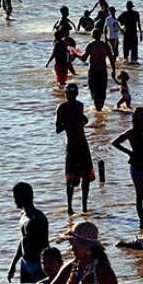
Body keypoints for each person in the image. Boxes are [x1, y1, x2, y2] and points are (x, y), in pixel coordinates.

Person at [112, 107, 143, 229]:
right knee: (140, 195)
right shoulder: (132, 132)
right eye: (140, 116)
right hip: (137, 166)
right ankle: (142, 222)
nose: (142, 118)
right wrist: (129, 152)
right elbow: (115, 142)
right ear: (135, 118)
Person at [56, 84, 94, 214]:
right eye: (68, 94)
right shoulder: (62, 108)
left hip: (83, 144)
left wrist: (83, 120)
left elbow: (84, 120)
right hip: (72, 146)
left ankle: (84, 206)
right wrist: (69, 122)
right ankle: (70, 207)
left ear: (76, 94)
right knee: (70, 178)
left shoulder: (80, 105)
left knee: (86, 177)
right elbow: (58, 129)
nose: (70, 97)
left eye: (72, 94)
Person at [7, 182, 49, 283]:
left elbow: (45, 246)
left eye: (15, 198)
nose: (14, 201)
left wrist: (47, 266)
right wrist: (13, 264)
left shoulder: (37, 218)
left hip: (38, 264)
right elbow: (23, 241)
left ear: (20, 198)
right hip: (25, 263)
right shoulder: (24, 217)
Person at [82, 28, 116, 112]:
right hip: (102, 70)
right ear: (100, 35)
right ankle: (100, 108)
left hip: (93, 71)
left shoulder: (90, 45)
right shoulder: (105, 45)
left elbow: (83, 58)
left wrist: (76, 53)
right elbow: (111, 59)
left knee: (94, 89)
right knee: (102, 90)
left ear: (92, 35)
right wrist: (113, 70)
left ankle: (97, 108)